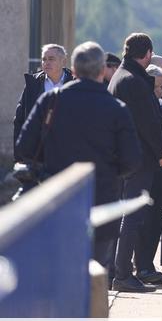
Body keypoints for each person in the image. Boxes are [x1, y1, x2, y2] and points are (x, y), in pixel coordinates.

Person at [15, 42, 142, 276]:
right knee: (93, 270)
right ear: (103, 70)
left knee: (58, 269)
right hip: (101, 198)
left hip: (57, 193)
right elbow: (132, 160)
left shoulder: (50, 100)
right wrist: (110, 173)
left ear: (73, 69)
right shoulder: (116, 108)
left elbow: (24, 147)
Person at [108, 33, 162, 292]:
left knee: (123, 215)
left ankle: (117, 270)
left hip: (120, 157)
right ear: (147, 54)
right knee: (132, 216)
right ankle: (123, 274)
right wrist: (161, 152)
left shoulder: (119, 77)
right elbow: (148, 123)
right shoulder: (135, 81)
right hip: (138, 158)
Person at [134, 65, 162, 285]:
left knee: (154, 222)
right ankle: (143, 266)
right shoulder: (145, 107)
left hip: (161, 170)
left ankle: (146, 264)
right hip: (149, 169)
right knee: (146, 222)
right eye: (158, 87)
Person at [12, 44, 72, 154]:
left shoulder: (74, 83)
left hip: (66, 150)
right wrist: (19, 154)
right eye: (44, 59)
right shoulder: (33, 84)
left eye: (51, 59)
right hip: (37, 151)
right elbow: (19, 120)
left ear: (63, 61)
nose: (46, 63)